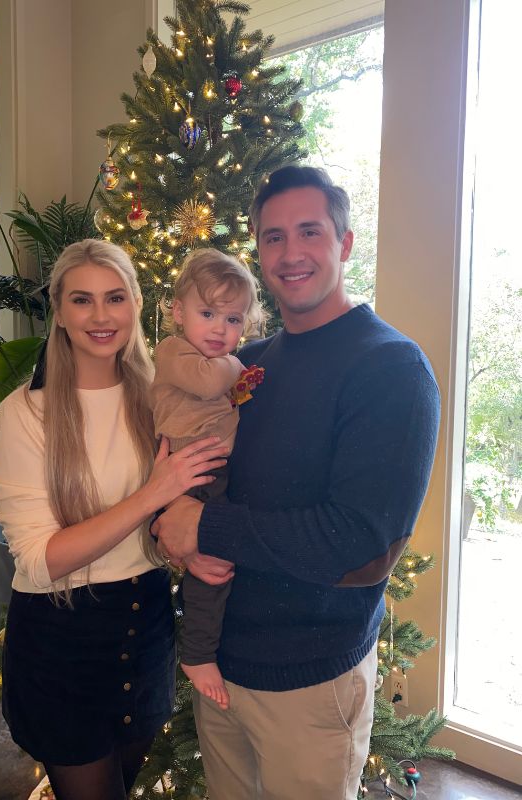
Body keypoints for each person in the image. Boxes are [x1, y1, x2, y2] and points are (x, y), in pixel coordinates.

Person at [152, 165, 441, 800]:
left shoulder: (390, 367)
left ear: (344, 242)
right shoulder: (241, 367)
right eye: (273, 237)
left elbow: (360, 548)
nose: (290, 252)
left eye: (309, 231)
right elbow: (173, 474)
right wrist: (169, 529)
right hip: (220, 669)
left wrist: (202, 526)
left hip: (311, 688)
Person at [0, 239, 229, 800]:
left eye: (114, 298)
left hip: (144, 626)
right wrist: (152, 494)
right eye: (81, 300)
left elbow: (180, 509)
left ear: (136, 304)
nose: (100, 316)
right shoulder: (27, 412)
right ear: (60, 313)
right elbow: (40, 562)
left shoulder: (160, 399)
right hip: (60, 636)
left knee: (123, 783)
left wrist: (188, 545)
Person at [150, 248, 265, 710]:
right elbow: (204, 383)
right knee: (210, 567)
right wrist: (238, 366)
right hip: (189, 467)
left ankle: (200, 644)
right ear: (178, 313)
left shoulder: (215, 359)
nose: (221, 329)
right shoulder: (175, 350)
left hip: (210, 468)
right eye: (208, 313)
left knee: (215, 564)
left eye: (234, 319)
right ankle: (196, 653)